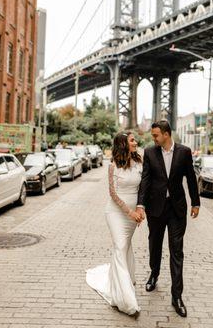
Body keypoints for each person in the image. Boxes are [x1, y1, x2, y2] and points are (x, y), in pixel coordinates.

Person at [136, 120, 200, 318]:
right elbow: (145, 180)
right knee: (155, 244)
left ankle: (177, 296)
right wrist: (140, 205)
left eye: (155, 135)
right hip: (155, 208)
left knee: (176, 250)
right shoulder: (150, 152)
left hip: (176, 210)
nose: (153, 138)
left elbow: (190, 178)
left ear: (166, 134)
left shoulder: (184, 152)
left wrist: (196, 203)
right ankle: (154, 273)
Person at [86, 132, 143, 316]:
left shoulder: (140, 163)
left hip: (134, 214)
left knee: (126, 247)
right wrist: (130, 212)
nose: (136, 142)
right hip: (116, 213)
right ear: (123, 144)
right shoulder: (113, 166)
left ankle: (124, 281)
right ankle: (126, 300)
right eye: (132, 140)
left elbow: (143, 188)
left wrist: (141, 210)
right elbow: (113, 193)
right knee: (120, 246)